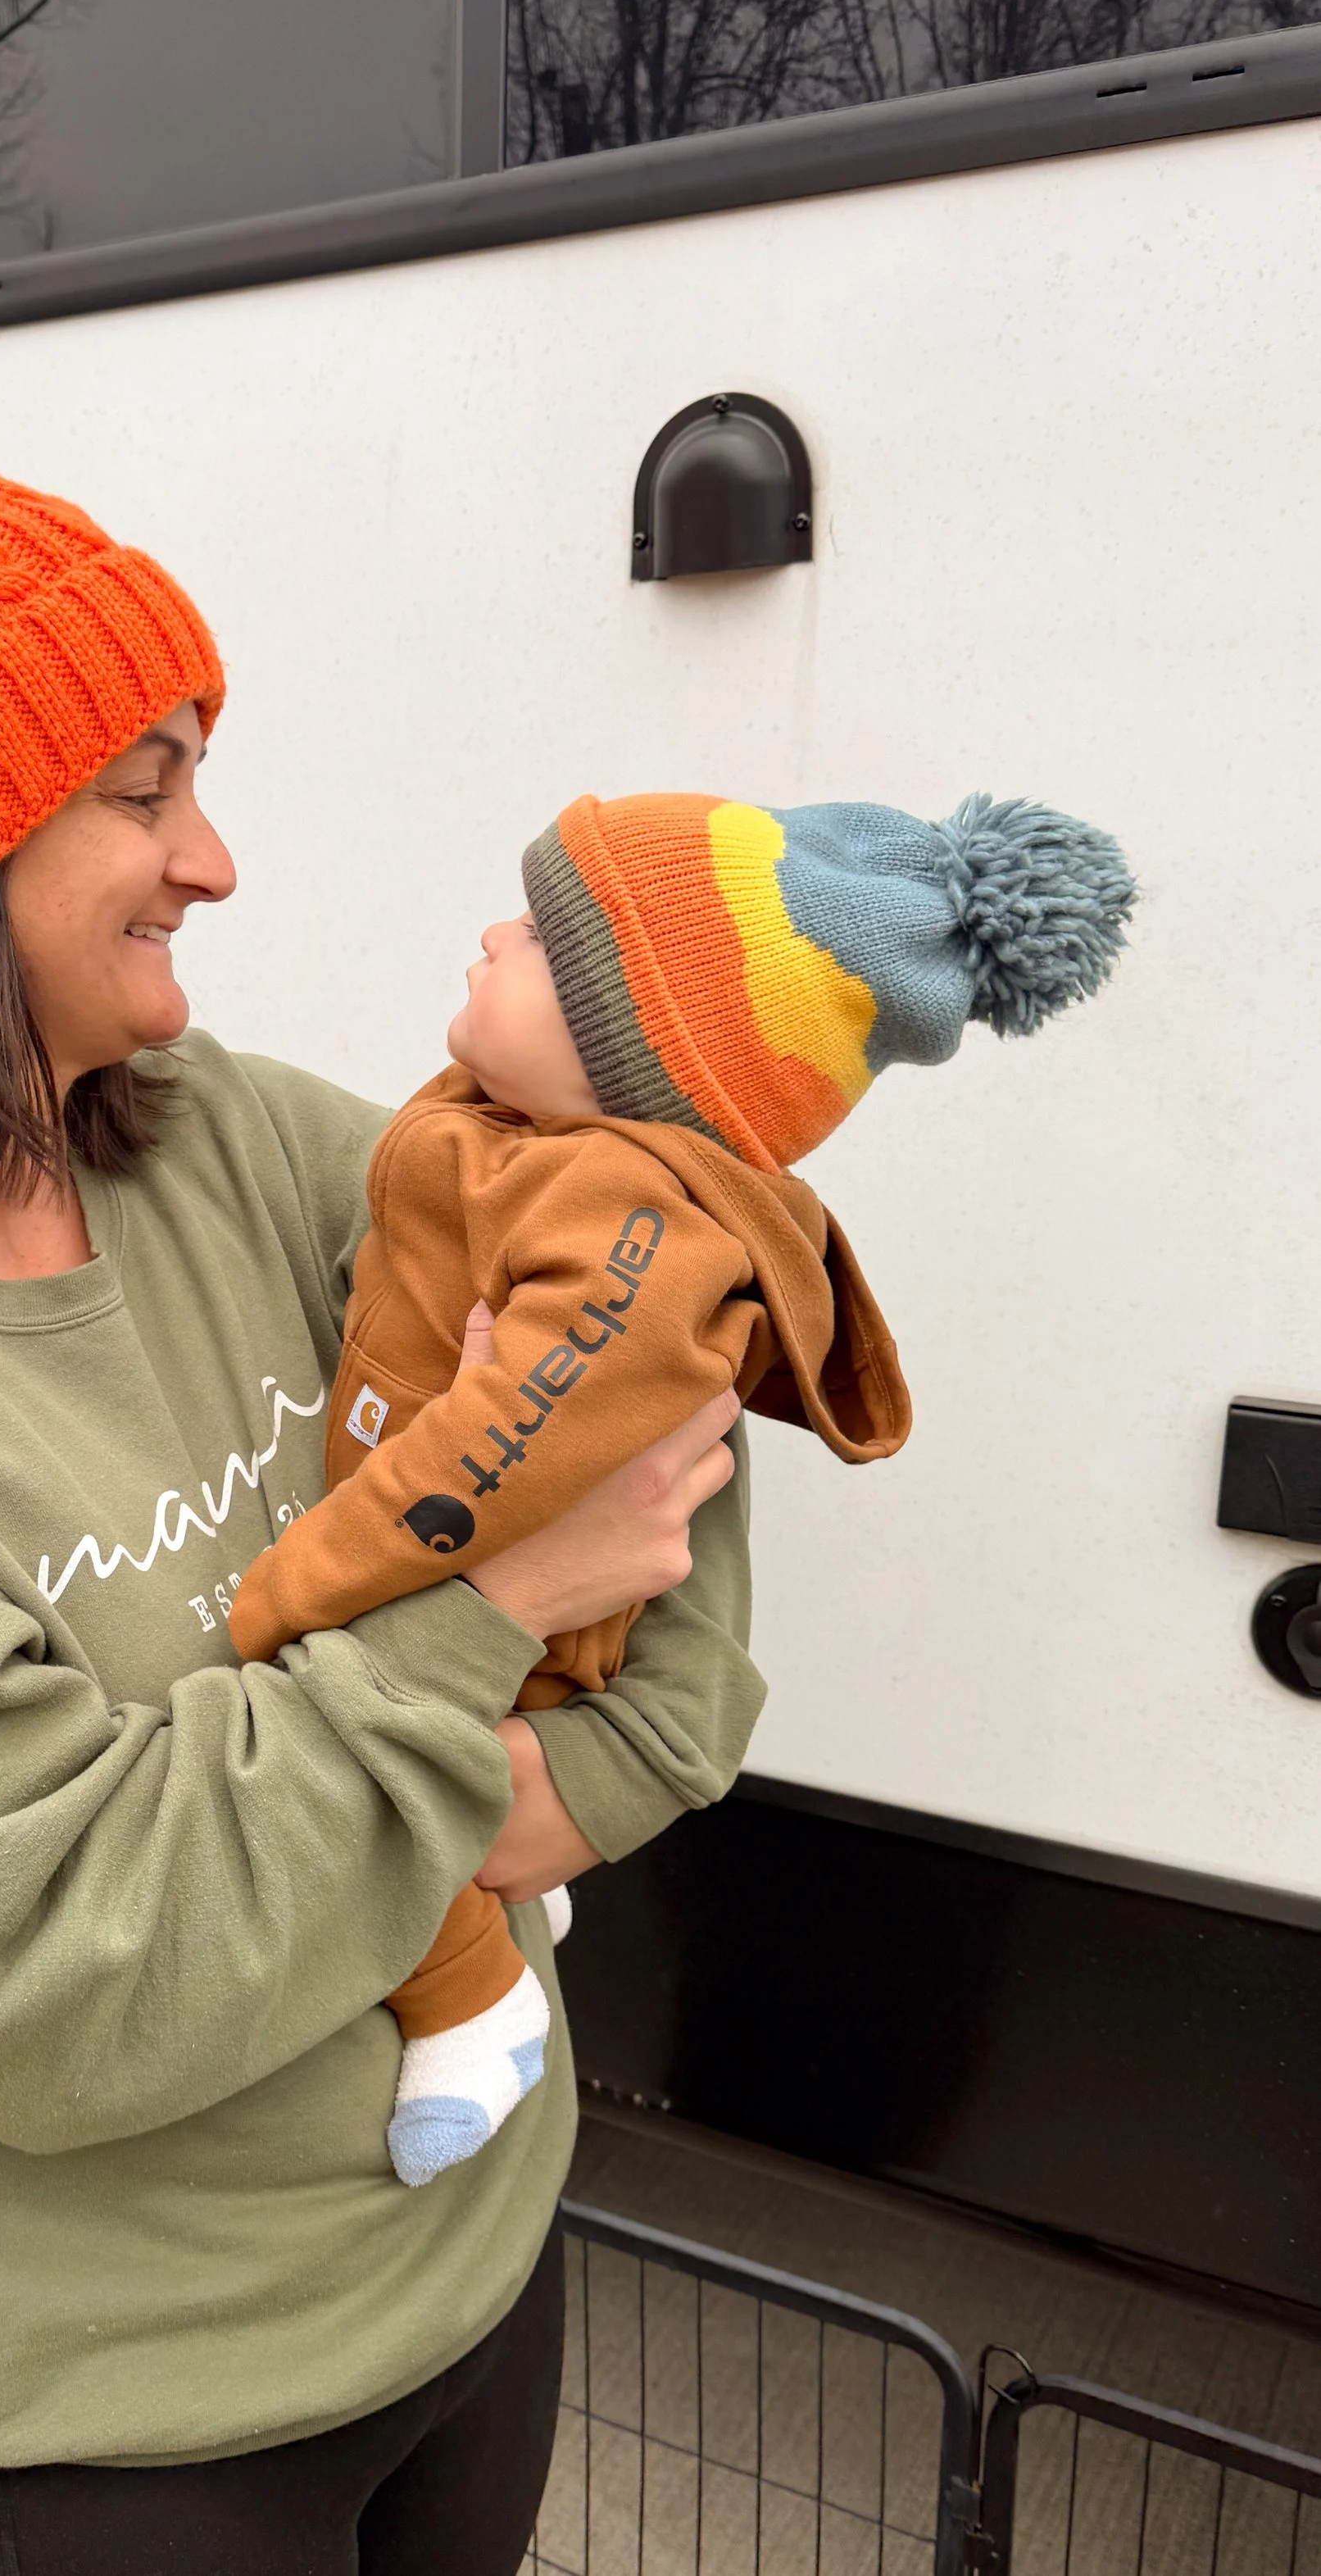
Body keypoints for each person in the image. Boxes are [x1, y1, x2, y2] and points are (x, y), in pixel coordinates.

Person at [0, 310, 759, 2576]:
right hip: (98, 2440)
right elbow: (65, 1970)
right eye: (143, 787)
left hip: (466, 2266)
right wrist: (480, 1616)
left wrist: (600, 1770)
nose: (215, 859)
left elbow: (657, 1307)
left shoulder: (235, 1143)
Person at [228, 787, 1135, 2188]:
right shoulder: (513, 1135)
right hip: (432, 1555)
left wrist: (296, 1589)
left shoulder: (627, 1228)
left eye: (540, 937)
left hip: (463, 1594)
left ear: (633, 1049)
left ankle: (474, 2003)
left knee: (371, 1796)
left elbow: (505, 1454)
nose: (492, 935)